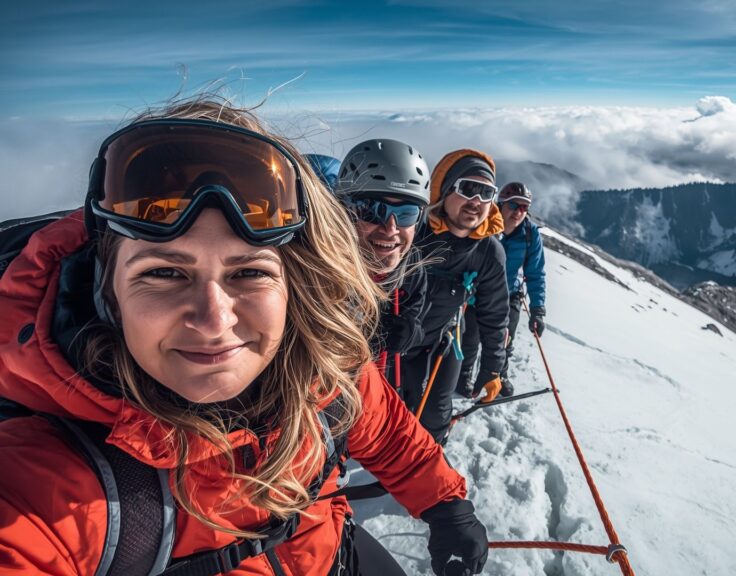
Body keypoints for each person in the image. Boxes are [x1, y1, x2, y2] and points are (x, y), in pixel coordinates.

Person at [0, 98, 487, 576]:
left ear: (295, 284)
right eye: (166, 273)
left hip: (334, 551)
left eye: (249, 272)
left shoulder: (321, 372)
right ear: (107, 291)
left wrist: (446, 504)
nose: (214, 320)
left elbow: (387, 433)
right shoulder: (53, 486)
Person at [399, 149, 509, 444]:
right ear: (445, 191)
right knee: (394, 407)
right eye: (467, 189)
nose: (476, 201)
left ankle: (427, 462)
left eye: (486, 193)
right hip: (393, 341)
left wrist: (491, 368)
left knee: (435, 413)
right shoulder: (413, 231)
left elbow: (494, 313)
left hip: (442, 342)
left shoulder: (489, 252)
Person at [305, 141, 430, 389]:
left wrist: (411, 334)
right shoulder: (313, 268)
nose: (391, 229)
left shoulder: (412, 271)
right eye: (373, 210)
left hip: (373, 393)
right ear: (345, 212)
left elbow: (412, 314)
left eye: (407, 214)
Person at [457, 182, 546, 398]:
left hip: (509, 294)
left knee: (505, 338)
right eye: (515, 205)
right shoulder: (484, 225)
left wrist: (538, 310)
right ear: (501, 204)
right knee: (470, 336)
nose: (519, 212)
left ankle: (499, 374)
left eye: (525, 208)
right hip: (477, 293)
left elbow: (535, 273)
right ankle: (463, 375)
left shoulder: (530, 234)